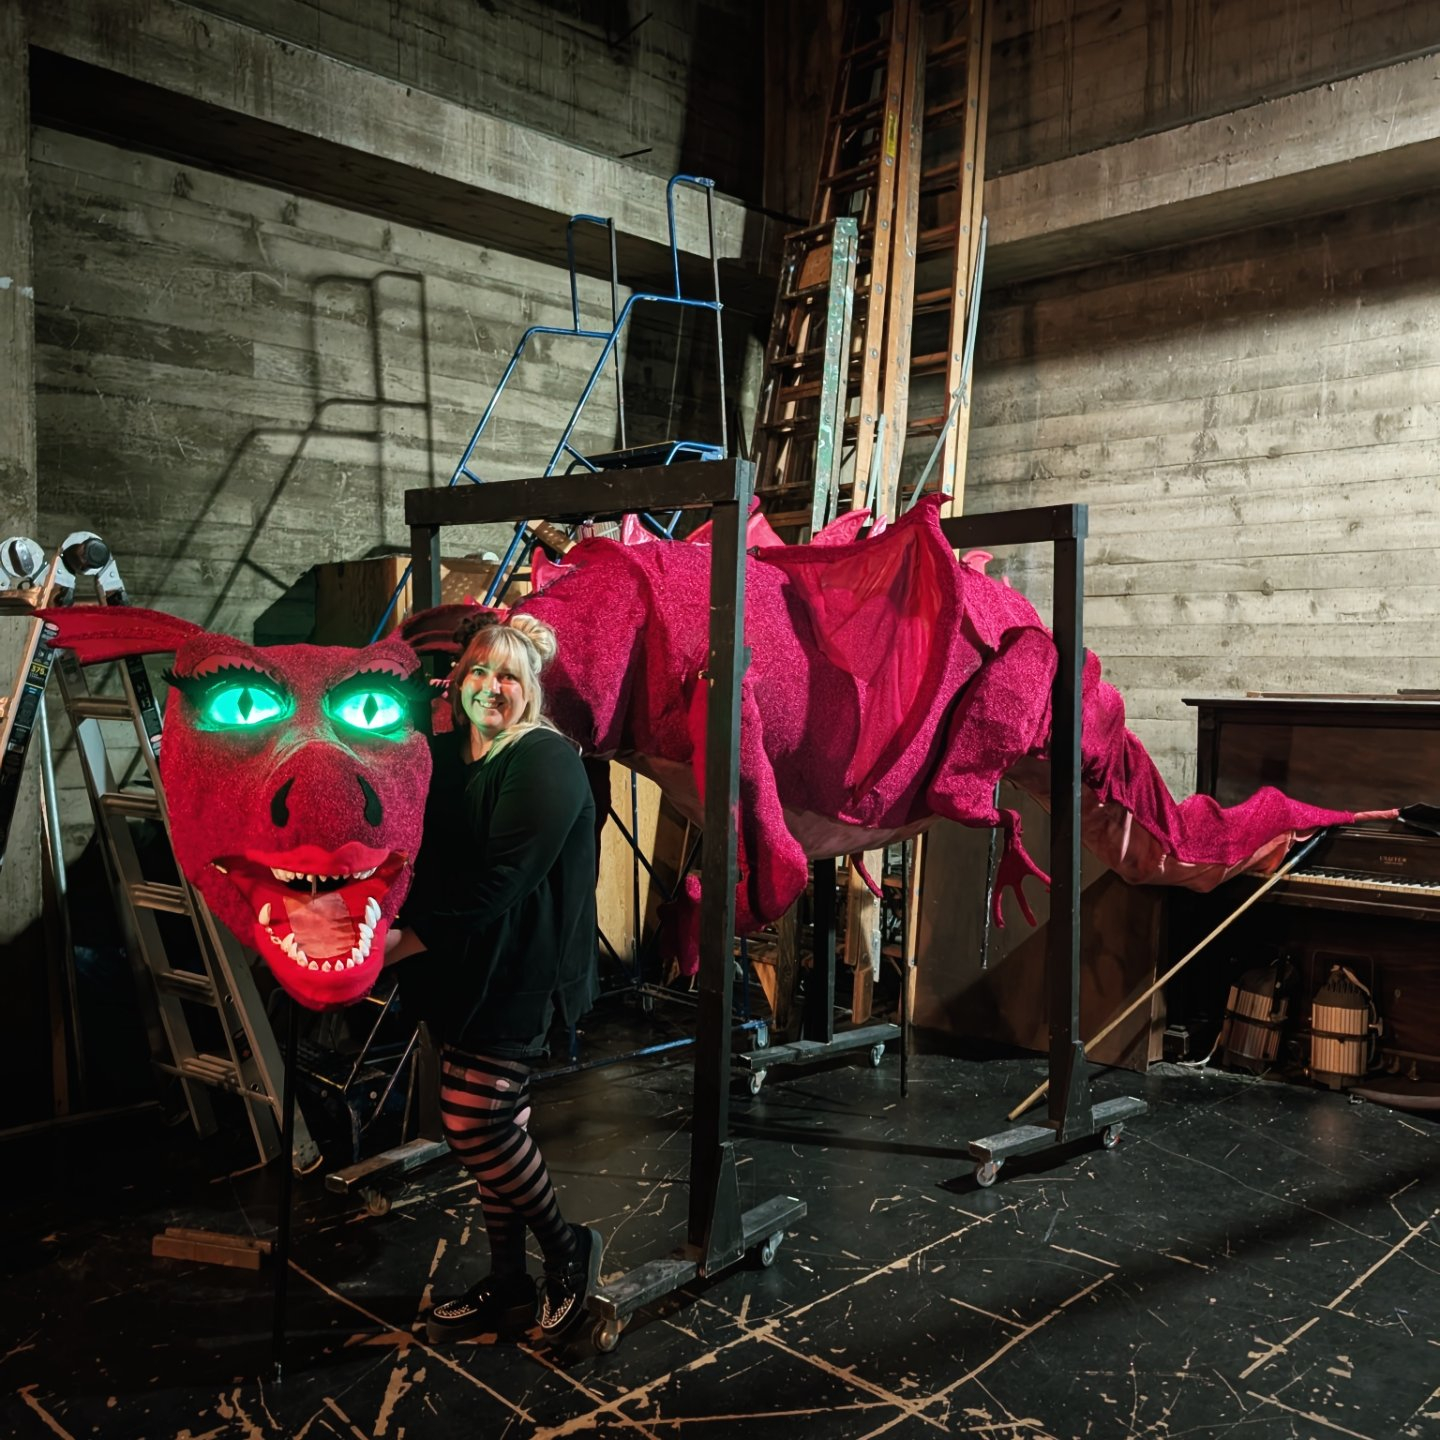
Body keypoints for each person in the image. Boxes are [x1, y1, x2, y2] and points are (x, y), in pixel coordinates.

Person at [384, 610, 602, 1345]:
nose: (490, 686)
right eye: (478, 670)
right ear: (457, 680)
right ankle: (508, 1280)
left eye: (508, 675)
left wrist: (401, 943)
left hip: (521, 966)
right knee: (500, 1127)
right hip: (463, 963)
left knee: (473, 1124)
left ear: (530, 688)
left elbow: (501, 882)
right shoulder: (449, 754)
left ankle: (568, 1250)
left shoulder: (544, 758)